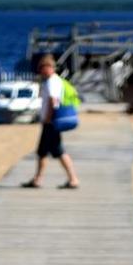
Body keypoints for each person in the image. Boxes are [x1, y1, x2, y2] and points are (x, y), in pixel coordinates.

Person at [21, 55, 80, 189]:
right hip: (50, 122)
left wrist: (48, 118)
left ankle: (73, 179)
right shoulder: (53, 81)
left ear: (49, 67)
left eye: (42, 68)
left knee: (58, 151)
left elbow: (53, 102)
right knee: (43, 151)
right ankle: (38, 179)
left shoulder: (52, 82)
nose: (41, 71)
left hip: (51, 122)